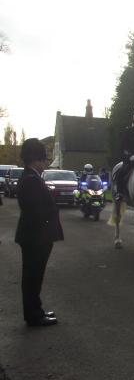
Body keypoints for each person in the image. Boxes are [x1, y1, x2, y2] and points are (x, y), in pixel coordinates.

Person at [14, 138, 63, 327]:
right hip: (36, 237)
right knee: (33, 277)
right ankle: (34, 315)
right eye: (43, 160)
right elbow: (36, 211)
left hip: (35, 236)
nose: (45, 163)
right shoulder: (31, 180)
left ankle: (36, 310)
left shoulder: (31, 177)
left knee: (34, 276)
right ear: (35, 160)